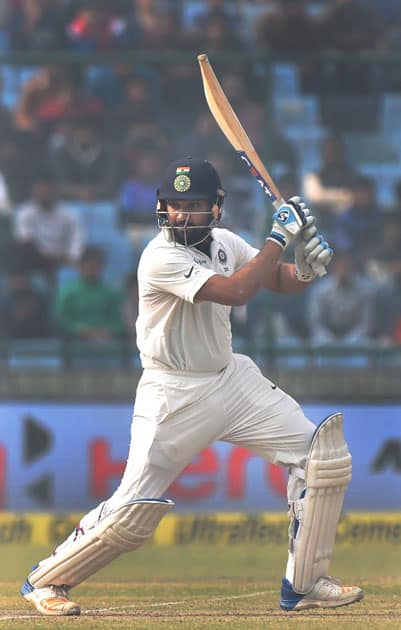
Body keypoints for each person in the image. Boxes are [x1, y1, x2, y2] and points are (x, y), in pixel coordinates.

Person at [20, 157, 363, 616]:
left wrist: (303, 267)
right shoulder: (160, 256)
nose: (182, 215)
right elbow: (238, 291)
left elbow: (273, 280)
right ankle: (46, 580)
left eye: (194, 205)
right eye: (174, 205)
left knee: (322, 459)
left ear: (215, 209)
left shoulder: (223, 242)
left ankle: (303, 584)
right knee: (132, 511)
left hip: (230, 379)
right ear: (161, 207)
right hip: (173, 393)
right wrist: (280, 237)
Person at [54, 245, 124, 342]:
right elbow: (60, 320)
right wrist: (79, 330)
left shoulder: (110, 293)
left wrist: (107, 331)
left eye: (96, 266)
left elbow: (118, 322)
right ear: (80, 266)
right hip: (73, 344)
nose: (93, 270)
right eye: (90, 266)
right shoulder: (68, 292)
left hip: (105, 344)